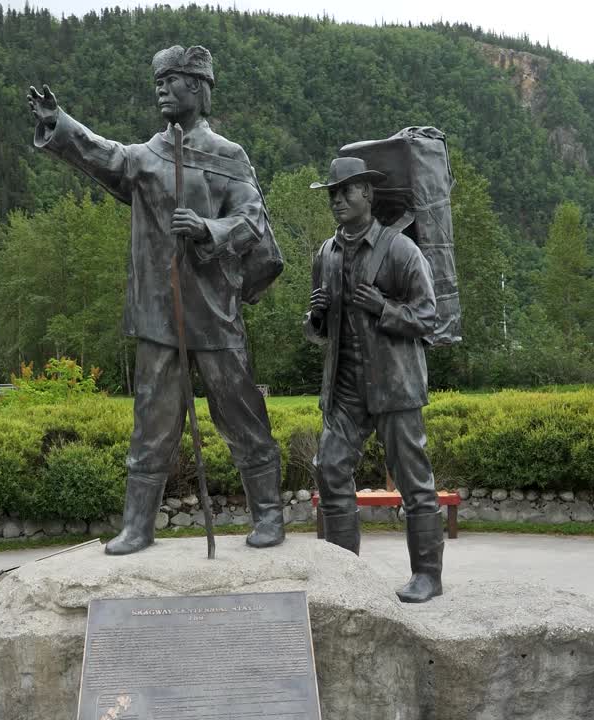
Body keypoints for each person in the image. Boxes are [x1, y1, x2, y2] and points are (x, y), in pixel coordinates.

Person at [28, 45, 285, 555]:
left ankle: (270, 515)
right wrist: (61, 124)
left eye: (172, 80)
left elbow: (254, 220)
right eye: (158, 82)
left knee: (240, 413)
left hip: (213, 311)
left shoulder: (229, 156)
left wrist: (208, 227)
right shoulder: (147, 156)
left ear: (198, 86)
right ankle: (139, 526)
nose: (162, 89)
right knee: (152, 420)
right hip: (160, 316)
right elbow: (105, 155)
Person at [304, 157, 444, 603]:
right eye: (332, 193)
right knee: (329, 468)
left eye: (346, 191)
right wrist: (317, 316)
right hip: (344, 387)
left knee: (412, 478)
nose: (338, 199)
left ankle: (427, 575)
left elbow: (429, 315)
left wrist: (384, 307)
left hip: (394, 384)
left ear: (369, 194)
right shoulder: (325, 254)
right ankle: (343, 574)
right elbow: (316, 331)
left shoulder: (401, 250)